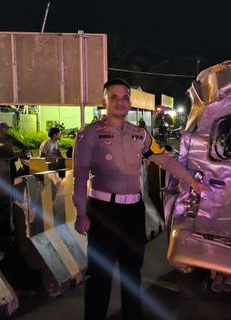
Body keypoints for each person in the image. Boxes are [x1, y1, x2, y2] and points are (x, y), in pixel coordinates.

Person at [73, 78, 203, 320]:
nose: (121, 102)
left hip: (133, 210)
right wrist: (81, 212)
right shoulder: (89, 134)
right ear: (104, 101)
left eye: (125, 97)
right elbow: (79, 177)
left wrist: (190, 179)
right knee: (100, 274)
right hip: (103, 211)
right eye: (114, 97)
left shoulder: (139, 135)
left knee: (132, 272)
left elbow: (164, 159)